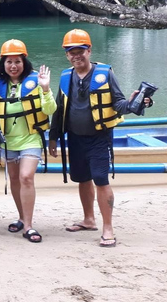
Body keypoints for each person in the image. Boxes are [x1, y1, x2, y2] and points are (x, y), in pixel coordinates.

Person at [48, 29, 152, 248]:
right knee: (82, 178)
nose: (76, 55)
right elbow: (59, 109)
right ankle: (88, 220)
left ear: (89, 50)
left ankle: (108, 227)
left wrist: (137, 103)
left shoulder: (105, 73)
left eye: (80, 51)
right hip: (75, 137)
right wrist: (54, 137)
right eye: (71, 52)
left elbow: (119, 104)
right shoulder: (66, 76)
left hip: (99, 137)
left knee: (100, 179)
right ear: (66, 54)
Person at [0, 39, 56, 244]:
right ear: (3, 64)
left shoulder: (36, 82)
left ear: (24, 62)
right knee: (15, 180)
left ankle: (28, 226)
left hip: (31, 138)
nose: (13, 66)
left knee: (26, 177)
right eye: (9, 62)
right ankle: (22, 217)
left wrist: (45, 89)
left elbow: (50, 110)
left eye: (17, 61)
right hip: (8, 141)